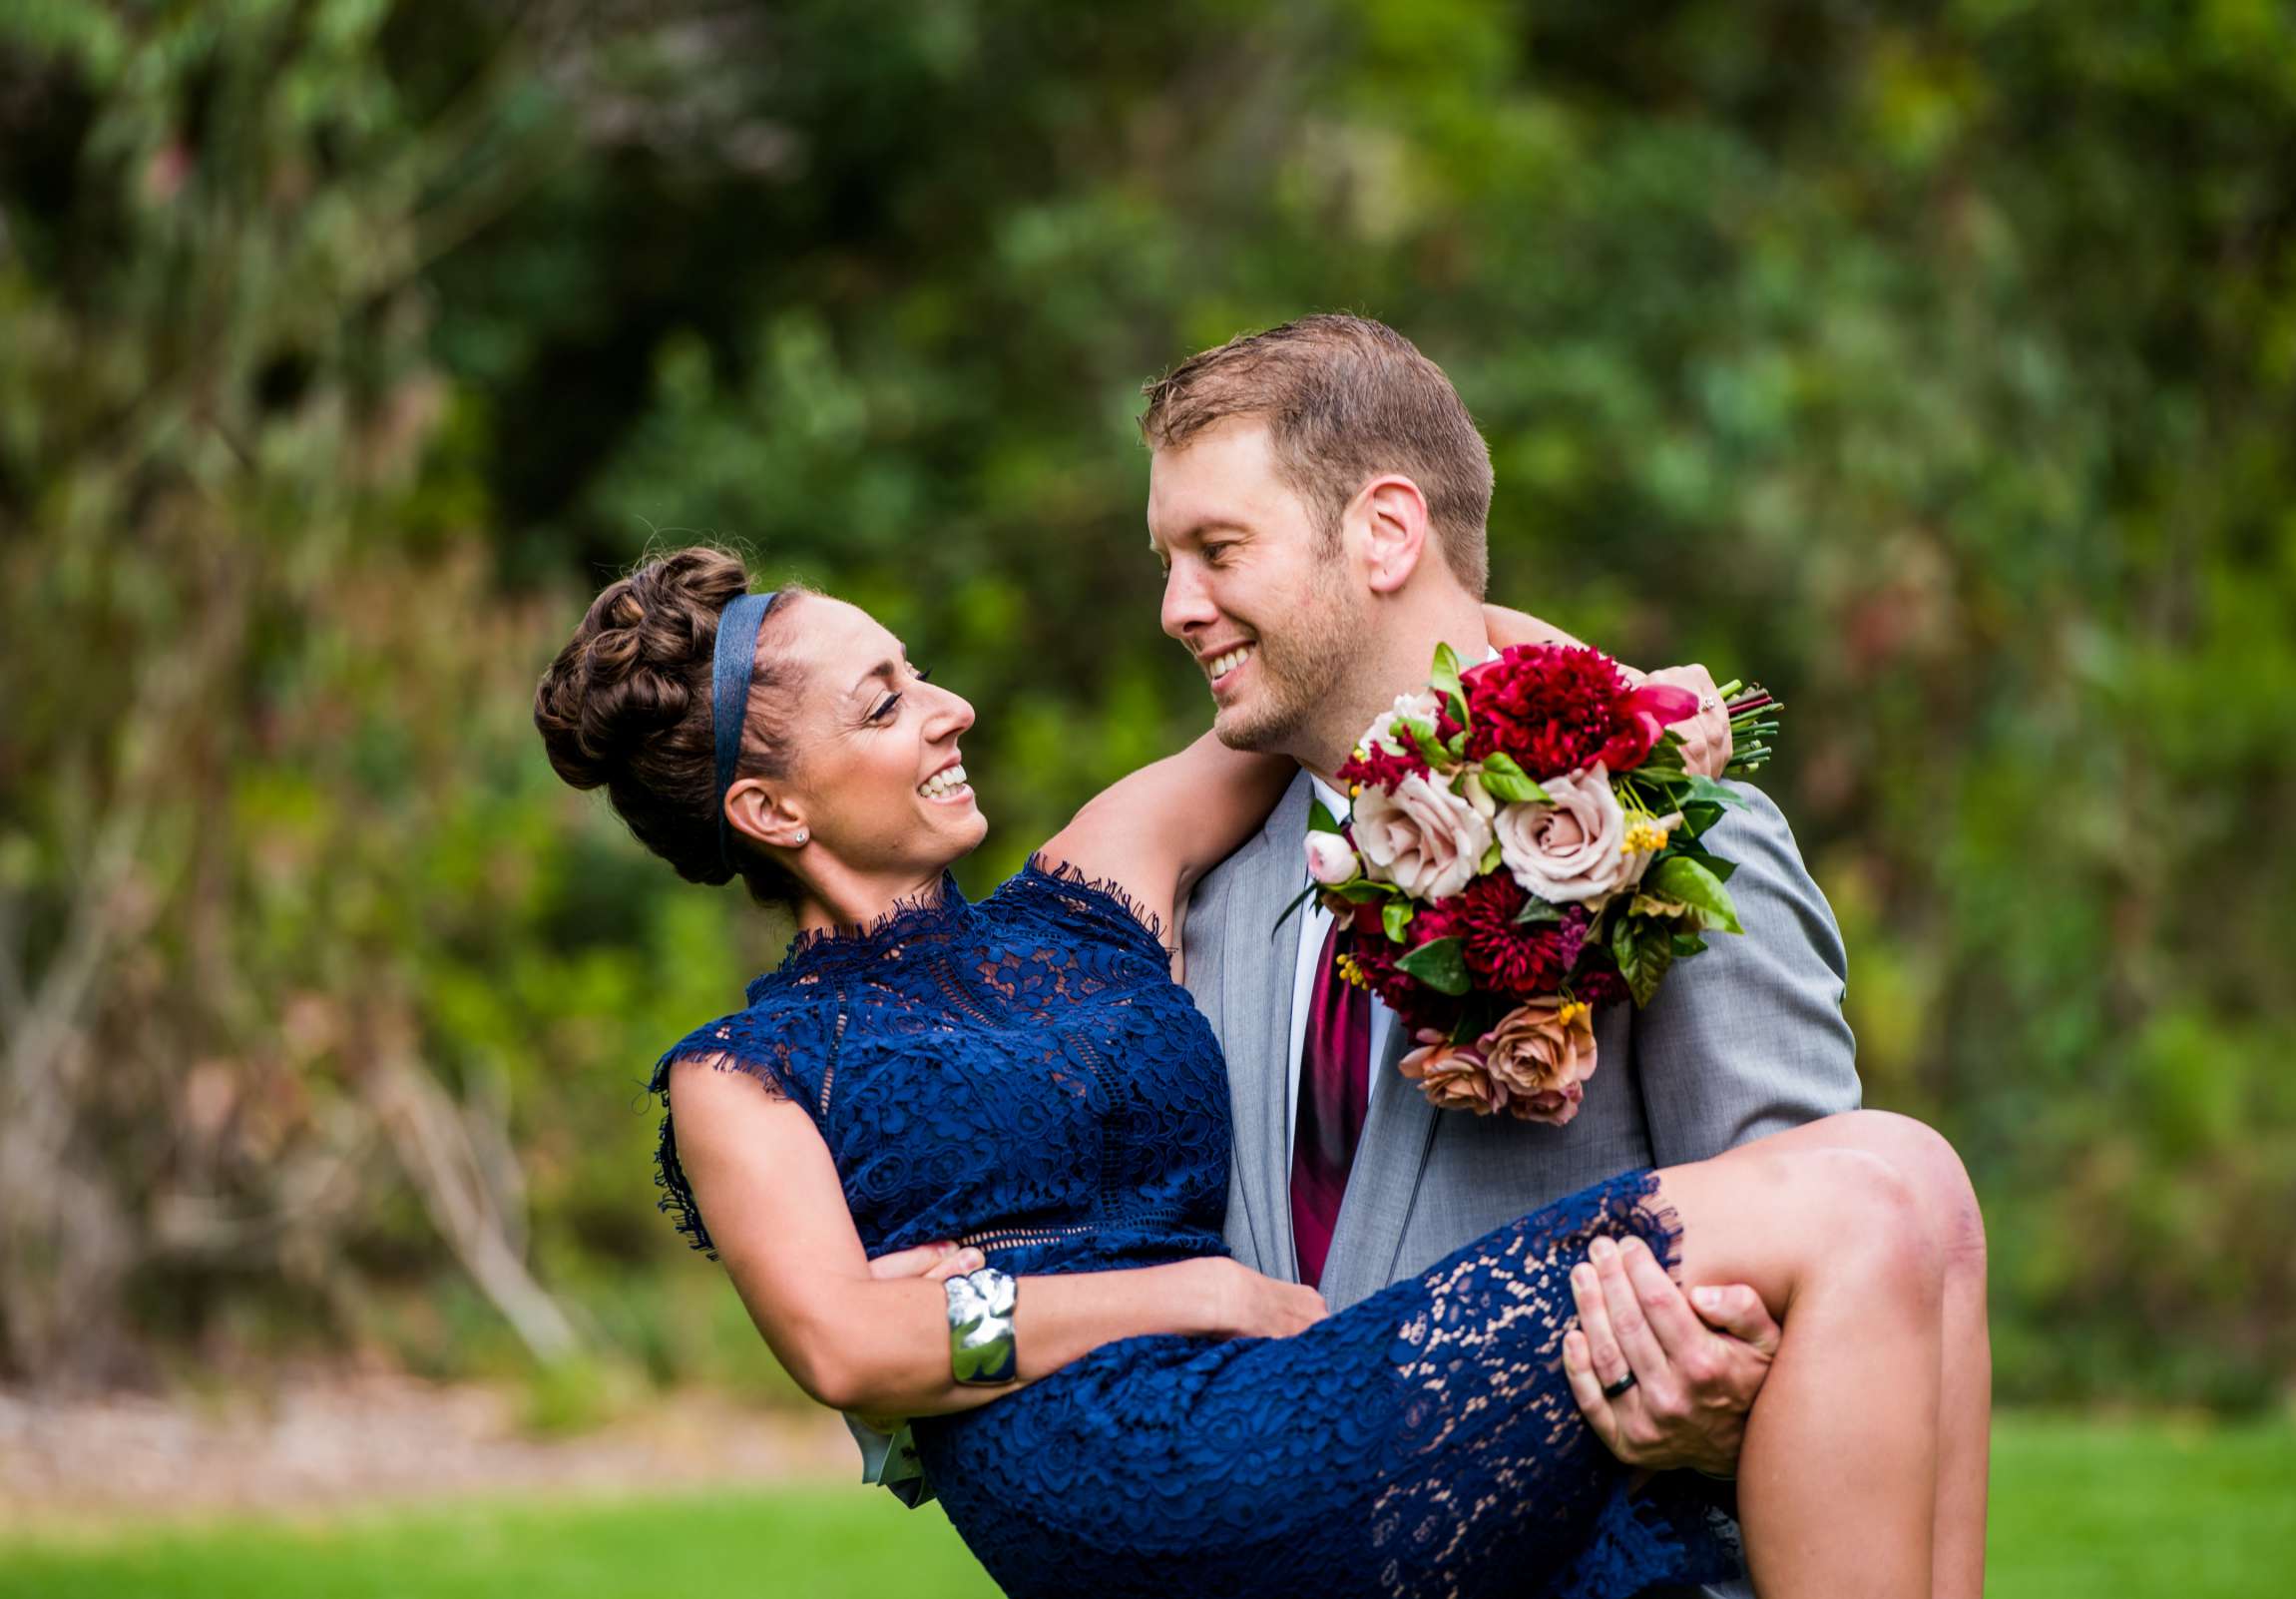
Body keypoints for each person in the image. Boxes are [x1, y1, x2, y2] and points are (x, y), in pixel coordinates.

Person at [533, 544, 1989, 1598]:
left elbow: (1383, 679)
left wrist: (1624, 723)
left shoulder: (1093, 880)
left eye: (918, 674)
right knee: (1859, 1204)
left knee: (1917, 1183)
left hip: (1275, 1387)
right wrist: (1196, 1293)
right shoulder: (746, 1072)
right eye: (884, 703)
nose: (950, 706)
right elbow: (849, 1346)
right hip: (1134, 1470)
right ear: (767, 805)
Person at [1142, 315, 1988, 1599]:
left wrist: (1719, 1405)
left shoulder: (1677, 845)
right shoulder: (1185, 896)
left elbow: (1852, 1293)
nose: (1175, 607)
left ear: (1384, 530)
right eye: (1166, 559)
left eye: (1217, 550)